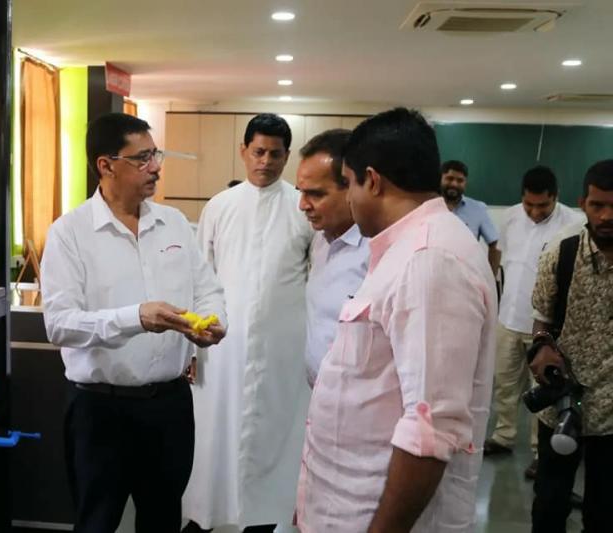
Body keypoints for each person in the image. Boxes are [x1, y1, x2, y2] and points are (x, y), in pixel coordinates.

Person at [296, 108, 497, 532]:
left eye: (348, 184)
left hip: (375, 515)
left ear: (373, 180)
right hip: (345, 503)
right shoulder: (404, 250)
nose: (349, 198)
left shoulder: (430, 261)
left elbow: (430, 430)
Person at [40, 113, 226, 533]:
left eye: (154, 154)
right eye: (142, 158)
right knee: (97, 522)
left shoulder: (174, 223)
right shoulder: (70, 233)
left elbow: (208, 290)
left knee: (162, 520)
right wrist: (136, 318)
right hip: (99, 410)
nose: (156, 167)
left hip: (170, 406)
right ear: (106, 165)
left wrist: (215, 322)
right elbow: (60, 324)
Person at [183, 114, 314, 533]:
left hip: (282, 349)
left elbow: (314, 278)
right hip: (222, 345)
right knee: (215, 431)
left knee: (276, 431)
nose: (266, 161)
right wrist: (190, 344)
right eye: (258, 151)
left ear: (287, 156)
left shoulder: (301, 207)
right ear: (243, 151)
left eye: (276, 154)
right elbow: (200, 277)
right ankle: (208, 514)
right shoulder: (220, 207)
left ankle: (267, 516)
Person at [528, 160, 613, 533]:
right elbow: (542, 322)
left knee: (605, 510)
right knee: (549, 504)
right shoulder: (560, 255)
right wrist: (542, 348)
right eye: (597, 205)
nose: (607, 215)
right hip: (562, 406)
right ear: (583, 203)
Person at [484, 166, 585, 479]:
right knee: (504, 381)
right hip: (508, 317)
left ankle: (540, 452)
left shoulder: (574, 223)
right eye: (529, 204)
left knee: (542, 389)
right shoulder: (512, 217)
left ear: (555, 197)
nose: (535, 211)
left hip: (544, 324)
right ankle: (503, 435)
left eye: (543, 205)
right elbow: (503, 259)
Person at [296, 129, 369, 386]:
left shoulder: (377, 251)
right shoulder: (320, 241)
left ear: (352, 186)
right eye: (301, 192)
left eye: (315, 194)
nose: (303, 205)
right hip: (320, 398)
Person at [440, 160, 501, 274]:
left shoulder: (478, 209)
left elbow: (495, 245)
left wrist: (491, 279)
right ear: (440, 179)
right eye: (449, 178)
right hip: (434, 276)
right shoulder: (427, 206)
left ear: (465, 183)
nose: (454, 184)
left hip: (466, 278)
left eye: (460, 180)